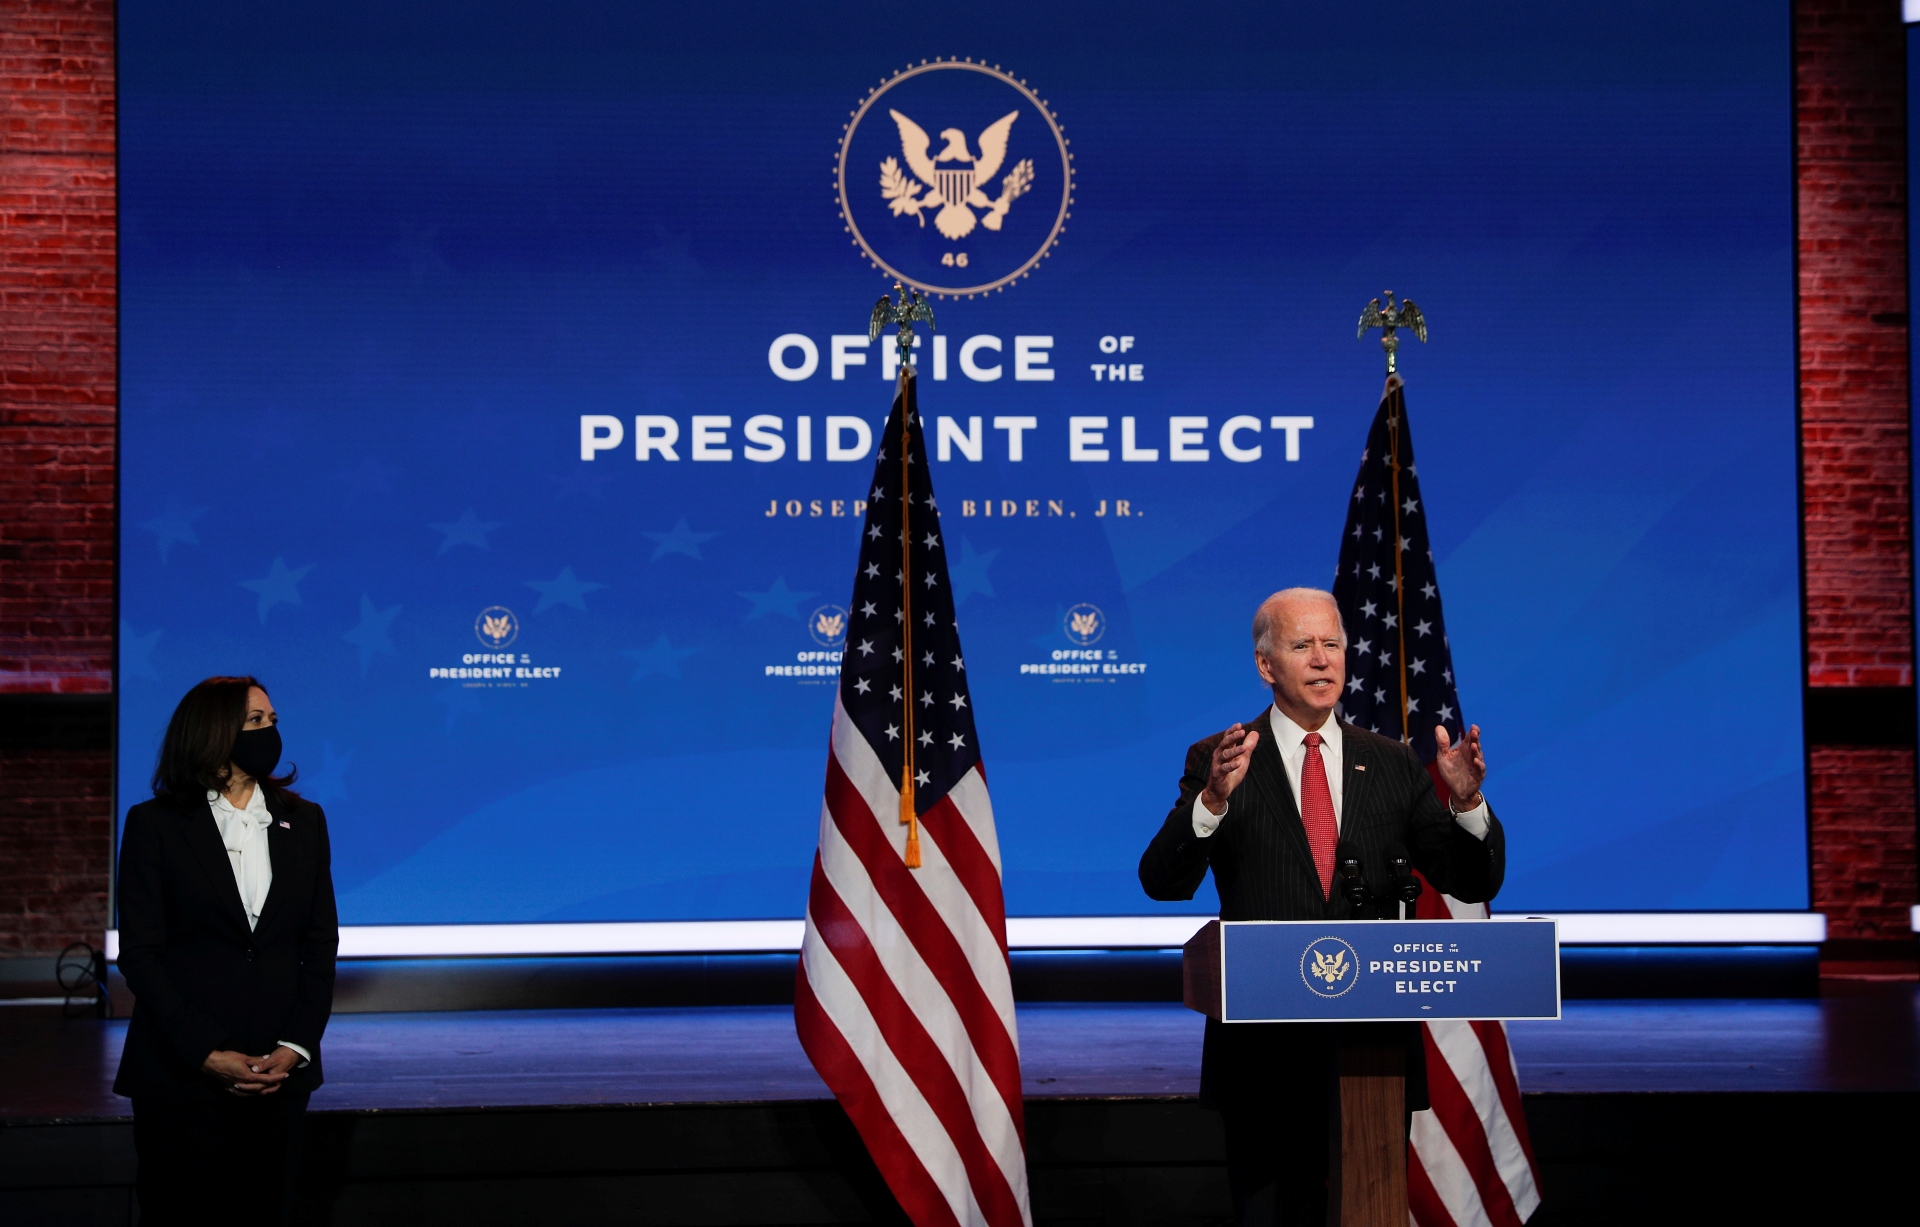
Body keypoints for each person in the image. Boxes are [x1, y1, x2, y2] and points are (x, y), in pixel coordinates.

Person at [1138, 589, 1504, 1226]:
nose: (1321, 659)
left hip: (1373, 1049)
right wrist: (1214, 802)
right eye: (1301, 645)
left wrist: (1468, 805)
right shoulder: (1220, 759)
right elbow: (1163, 882)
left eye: (1331, 643)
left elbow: (1471, 880)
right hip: (1263, 1058)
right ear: (1266, 664)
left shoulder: (1392, 764)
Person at [113, 676, 338, 1226]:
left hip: (277, 1076)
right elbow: (140, 953)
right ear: (214, 733)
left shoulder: (303, 820)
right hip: (183, 1076)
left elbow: (319, 944)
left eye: (272, 721)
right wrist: (206, 1052)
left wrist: (297, 1044)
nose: (270, 732)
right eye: (256, 722)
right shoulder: (155, 825)